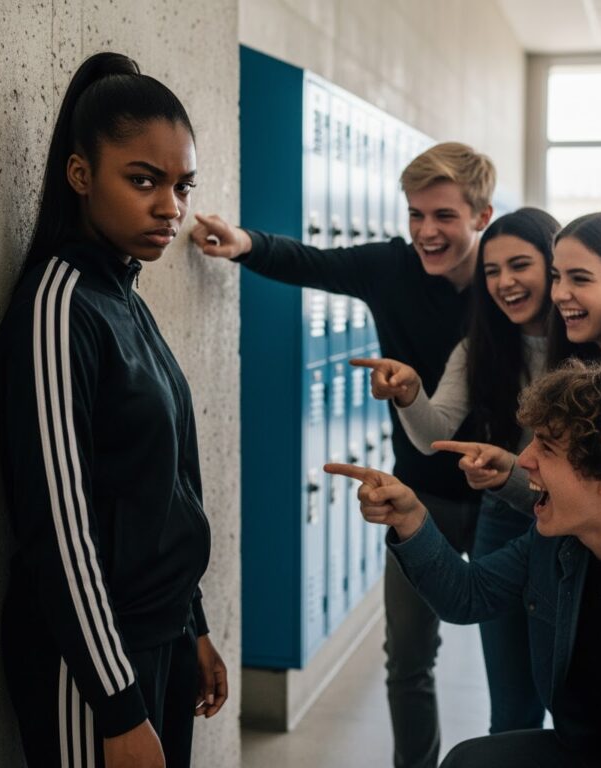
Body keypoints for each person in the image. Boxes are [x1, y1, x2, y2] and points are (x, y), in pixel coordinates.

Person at [192, 142, 495, 768]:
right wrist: (243, 241)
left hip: (504, 502)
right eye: (415, 214)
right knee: (408, 662)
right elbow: (315, 261)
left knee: (514, 661)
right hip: (420, 498)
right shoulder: (391, 267)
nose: (425, 231)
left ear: (481, 217)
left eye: (442, 216)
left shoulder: (506, 282)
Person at [0, 52, 227, 768]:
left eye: (182, 185)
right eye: (143, 180)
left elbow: (163, 488)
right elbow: (59, 528)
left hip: (159, 634)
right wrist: (118, 705)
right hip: (91, 660)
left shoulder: (123, 298)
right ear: (80, 175)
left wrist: (193, 625)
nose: (171, 207)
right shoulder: (57, 307)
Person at [326, 358, 601, 768]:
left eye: (547, 447)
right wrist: (409, 519)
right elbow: (467, 596)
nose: (525, 459)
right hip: (582, 749)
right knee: (467, 760)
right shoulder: (559, 542)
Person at [352, 207, 559, 734]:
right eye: (491, 271)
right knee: (512, 702)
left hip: (574, 520)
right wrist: (410, 394)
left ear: (553, 267)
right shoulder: (481, 344)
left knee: (577, 688)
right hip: (508, 518)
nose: (505, 283)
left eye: (520, 266)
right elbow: (431, 434)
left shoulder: (588, 343)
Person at [441, 209, 601, 513]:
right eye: (556, 277)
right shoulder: (589, 358)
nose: (559, 294)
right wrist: (510, 472)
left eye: (580, 279)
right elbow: (581, 499)